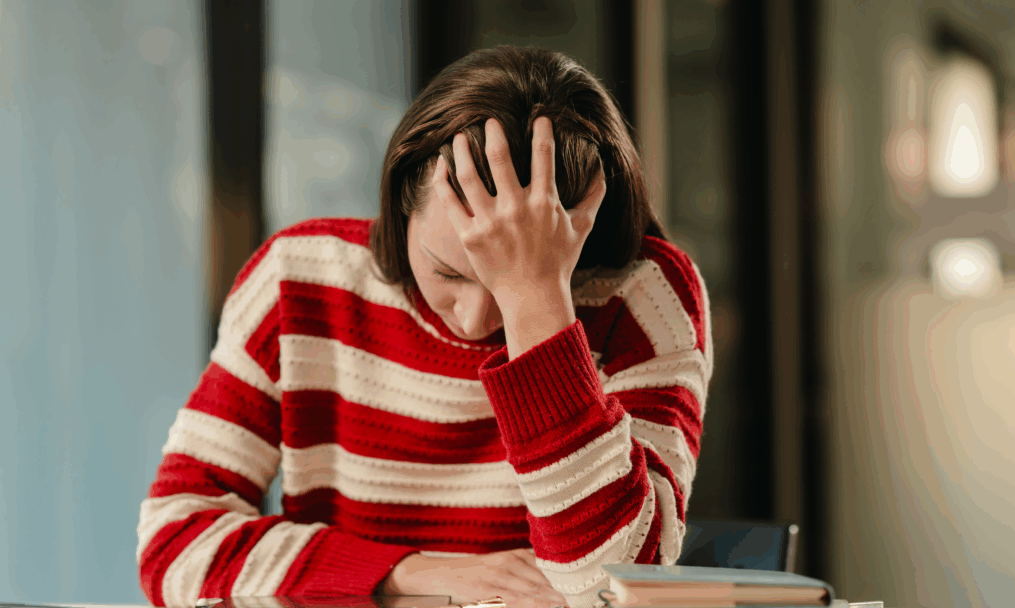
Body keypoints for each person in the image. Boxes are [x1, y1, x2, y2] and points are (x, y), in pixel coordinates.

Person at [137, 46, 712, 608]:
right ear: (398, 205)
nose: (477, 319)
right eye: (449, 273)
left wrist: (538, 302)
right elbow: (174, 547)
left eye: (507, 285)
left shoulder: (645, 297)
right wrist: (417, 573)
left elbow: (613, 588)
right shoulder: (299, 280)